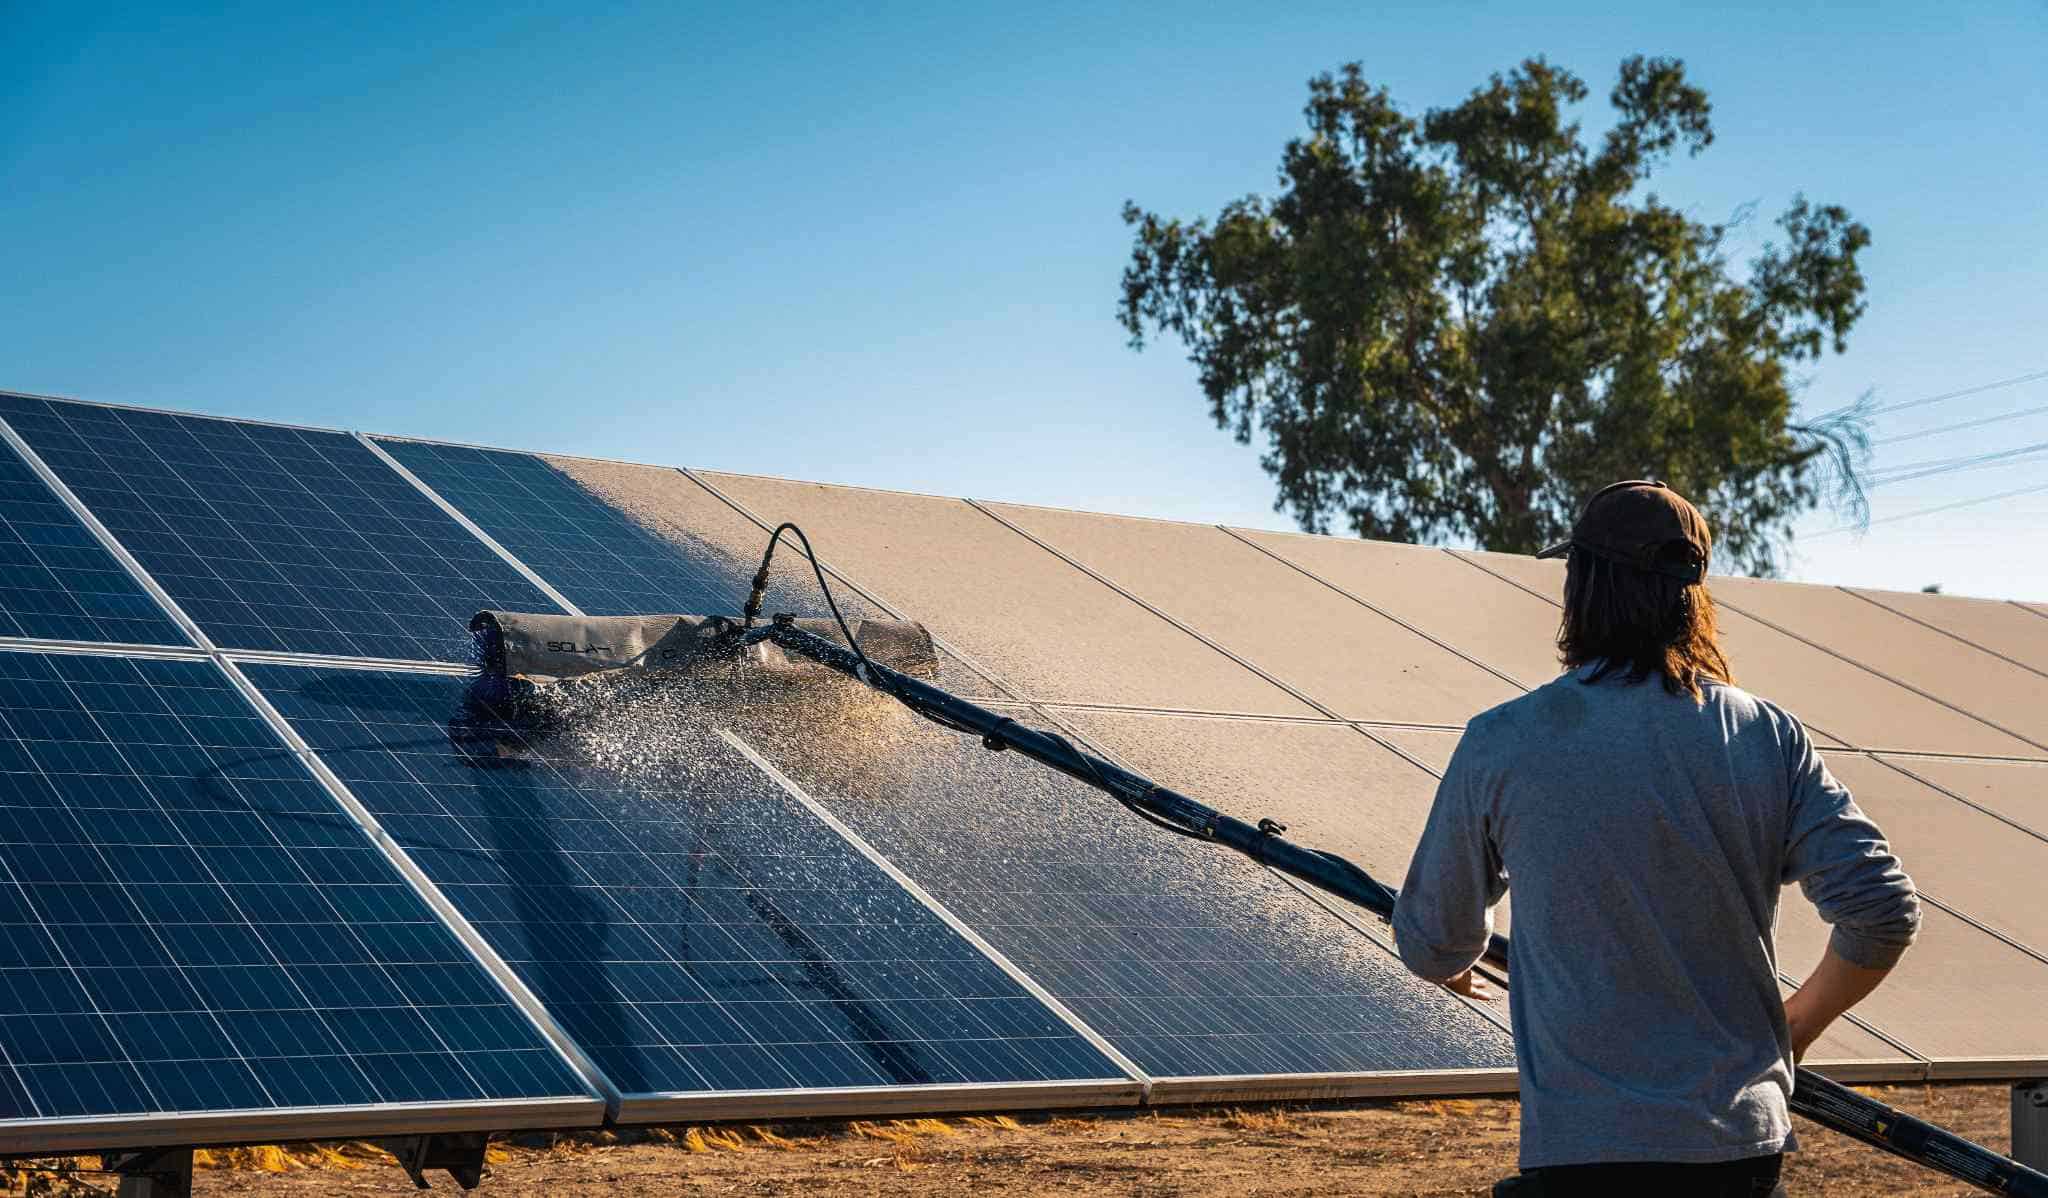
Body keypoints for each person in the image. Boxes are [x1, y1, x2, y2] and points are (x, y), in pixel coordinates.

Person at [1392, 480, 1920, 1197]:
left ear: (1584, 586)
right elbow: (1882, 910)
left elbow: (1432, 943)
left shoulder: (1502, 742)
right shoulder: (1767, 736)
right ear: (1693, 596)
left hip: (1584, 1155)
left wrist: (1459, 958)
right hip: (1743, 1152)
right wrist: (1794, 1030)